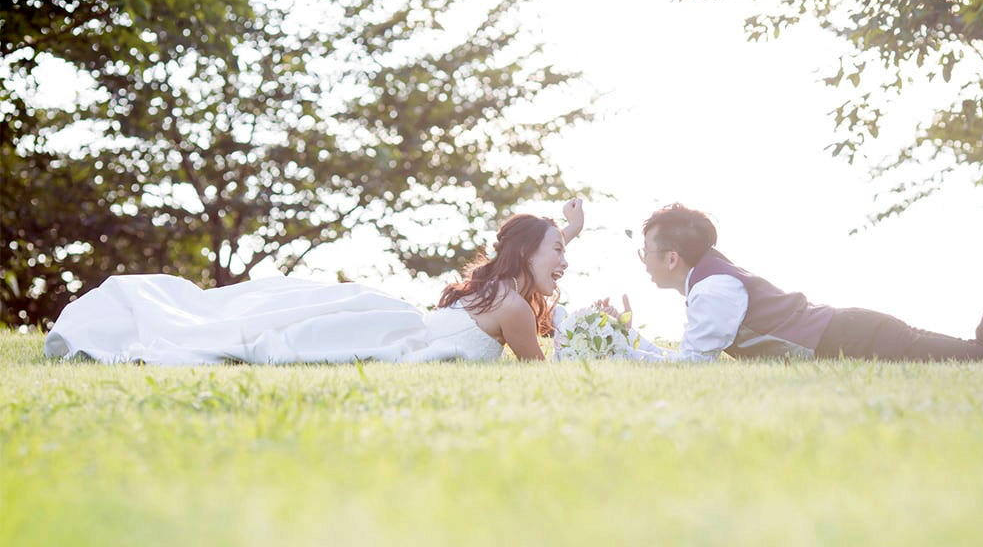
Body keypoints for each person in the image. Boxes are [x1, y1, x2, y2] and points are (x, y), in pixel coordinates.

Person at [43, 199, 584, 364]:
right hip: (396, 335)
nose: (564, 260)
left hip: (395, 318)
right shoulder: (513, 308)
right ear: (527, 252)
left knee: (279, 325)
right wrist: (592, 341)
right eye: (558, 249)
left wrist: (568, 234)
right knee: (271, 339)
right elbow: (541, 373)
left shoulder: (502, 288)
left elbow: (540, 262)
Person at [622, 203, 983, 362]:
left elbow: (690, 369)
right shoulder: (710, 278)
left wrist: (623, 349)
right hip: (854, 332)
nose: (642, 261)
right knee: (980, 353)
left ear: (671, 257)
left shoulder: (713, 290)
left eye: (645, 251)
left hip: (856, 338)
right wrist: (629, 339)